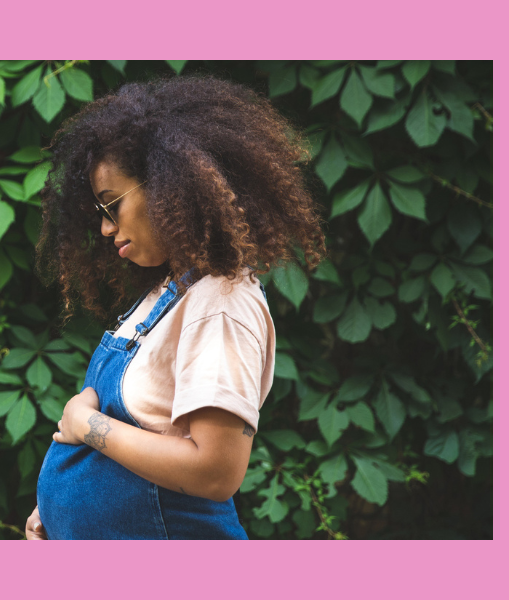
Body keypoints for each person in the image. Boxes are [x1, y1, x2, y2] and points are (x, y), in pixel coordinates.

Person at [26, 76, 326, 540]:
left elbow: (214, 471)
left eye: (112, 206)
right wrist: (54, 512)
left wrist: (87, 425)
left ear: (168, 185)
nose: (106, 231)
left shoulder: (221, 302)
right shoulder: (168, 296)